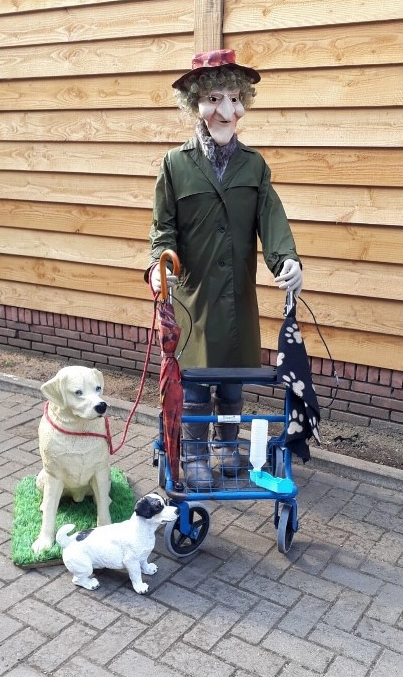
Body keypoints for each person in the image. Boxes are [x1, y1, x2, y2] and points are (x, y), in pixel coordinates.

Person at [146, 49, 302, 489]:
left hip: (238, 298)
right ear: (195, 103)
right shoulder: (175, 165)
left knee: (233, 382)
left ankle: (227, 445)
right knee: (195, 382)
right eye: (214, 99)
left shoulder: (254, 166)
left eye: (235, 99)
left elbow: (271, 220)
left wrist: (287, 259)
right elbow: (163, 229)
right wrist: (159, 266)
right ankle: (196, 453)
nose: (226, 110)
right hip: (192, 298)